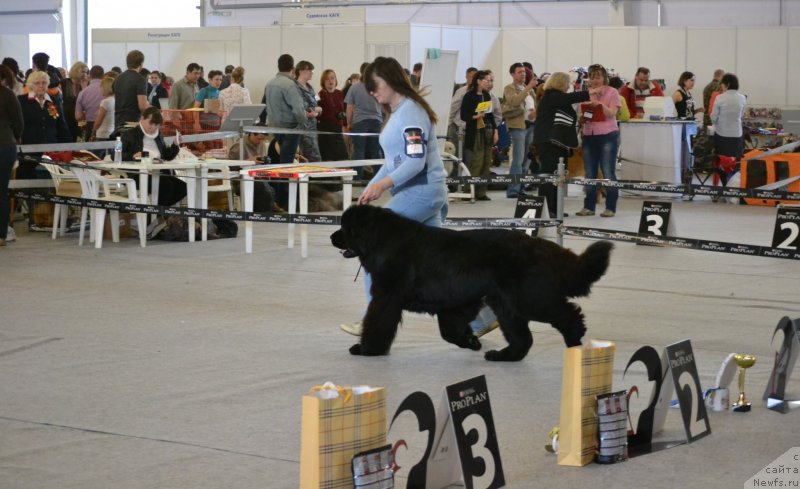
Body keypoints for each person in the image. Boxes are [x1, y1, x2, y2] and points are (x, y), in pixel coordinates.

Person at [340, 56, 449, 336]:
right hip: (423, 192)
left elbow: (415, 162)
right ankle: (479, 318)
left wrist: (382, 184)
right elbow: (393, 162)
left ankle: (372, 323)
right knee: (442, 264)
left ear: (388, 81)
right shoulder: (400, 112)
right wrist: (372, 187)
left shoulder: (410, 112)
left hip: (421, 191)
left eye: (374, 86)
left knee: (373, 249)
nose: (372, 92)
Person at [533, 72, 596, 218]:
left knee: (558, 177)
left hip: (558, 143)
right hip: (548, 142)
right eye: (568, 83)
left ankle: (555, 207)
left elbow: (566, 115)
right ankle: (547, 210)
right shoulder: (551, 95)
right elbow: (569, 98)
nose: (569, 86)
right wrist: (590, 92)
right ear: (560, 83)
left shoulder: (557, 99)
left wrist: (583, 118)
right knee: (549, 176)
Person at [575, 64, 620, 218]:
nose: (595, 80)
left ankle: (610, 207)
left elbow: (612, 113)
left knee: (608, 171)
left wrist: (600, 105)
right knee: (590, 173)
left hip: (608, 135)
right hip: (589, 135)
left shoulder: (613, 92)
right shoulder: (586, 94)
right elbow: (584, 118)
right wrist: (583, 116)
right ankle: (589, 207)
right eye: (592, 77)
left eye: (598, 77)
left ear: (604, 78)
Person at [120, 107, 186, 207]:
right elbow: (116, 155)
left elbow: (166, 156)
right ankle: (154, 217)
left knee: (183, 187)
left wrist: (175, 144)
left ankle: (156, 216)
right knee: (166, 185)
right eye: (151, 123)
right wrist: (133, 156)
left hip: (158, 173)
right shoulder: (129, 134)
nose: (153, 127)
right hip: (137, 175)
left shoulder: (158, 135)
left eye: (156, 125)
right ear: (142, 119)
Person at [17, 71, 70, 180]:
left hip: (52, 149)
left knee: (51, 180)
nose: (41, 85)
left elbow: (61, 124)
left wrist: (69, 146)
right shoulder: (21, 101)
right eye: (37, 83)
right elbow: (17, 124)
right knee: (28, 180)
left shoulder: (53, 101)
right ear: (31, 85)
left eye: (44, 83)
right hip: (29, 149)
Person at [460, 70, 497, 201]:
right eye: (486, 80)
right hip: (474, 132)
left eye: (490, 80)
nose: (489, 83)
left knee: (487, 162)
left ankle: (482, 191)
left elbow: (491, 114)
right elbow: (463, 115)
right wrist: (475, 116)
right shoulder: (469, 96)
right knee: (476, 161)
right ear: (478, 81)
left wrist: (495, 130)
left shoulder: (487, 96)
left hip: (487, 130)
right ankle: (469, 190)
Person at [503, 62, 538, 198]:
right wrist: (528, 87)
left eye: (524, 71)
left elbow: (533, 105)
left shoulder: (528, 89)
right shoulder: (509, 88)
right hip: (518, 127)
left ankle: (521, 188)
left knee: (527, 160)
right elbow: (514, 102)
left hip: (531, 126)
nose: (523, 74)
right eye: (519, 72)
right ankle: (513, 190)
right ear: (512, 74)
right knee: (518, 160)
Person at [264, 54, 307, 164]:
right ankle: (286, 181)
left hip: (274, 129)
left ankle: (279, 181)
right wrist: (303, 125)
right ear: (293, 68)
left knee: (277, 161)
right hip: (289, 129)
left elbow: (265, 106)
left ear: (278, 66)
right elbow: (298, 110)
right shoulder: (290, 85)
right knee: (287, 164)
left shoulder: (269, 84)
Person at [345, 62, 383, 179]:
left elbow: (349, 108)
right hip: (376, 121)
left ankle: (357, 178)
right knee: (376, 151)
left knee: (359, 151)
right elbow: (384, 105)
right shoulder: (377, 86)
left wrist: (349, 123)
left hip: (360, 122)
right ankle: (379, 178)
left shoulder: (354, 87)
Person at [0, 65, 23, 246]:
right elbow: (18, 122)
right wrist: (16, 137)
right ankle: (1, 235)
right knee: (1, 191)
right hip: (5, 145)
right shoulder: (8, 95)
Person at [227, 131, 278, 213]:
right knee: (263, 188)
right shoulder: (238, 146)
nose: (261, 141)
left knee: (272, 187)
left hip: (259, 177)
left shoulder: (262, 145)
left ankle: (268, 209)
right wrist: (248, 161)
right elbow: (231, 167)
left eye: (263, 139)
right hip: (241, 180)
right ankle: (264, 213)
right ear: (251, 134)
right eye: (259, 139)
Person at [710, 73, 746, 159]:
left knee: (722, 160)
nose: (721, 86)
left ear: (727, 84)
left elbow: (714, 117)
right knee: (735, 160)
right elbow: (741, 115)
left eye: (722, 83)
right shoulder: (742, 98)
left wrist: (715, 123)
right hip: (737, 134)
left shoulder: (719, 98)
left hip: (722, 133)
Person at [112, 50, 148, 134]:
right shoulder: (140, 79)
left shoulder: (117, 78)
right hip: (132, 123)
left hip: (118, 121)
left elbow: (116, 99)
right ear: (141, 63)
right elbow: (142, 106)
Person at [317, 69, 349, 161]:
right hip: (324, 129)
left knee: (343, 156)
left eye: (332, 78)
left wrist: (344, 125)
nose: (330, 81)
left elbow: (343, 111)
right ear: (323, 81)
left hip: (337, 128)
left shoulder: (340, 93)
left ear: (336, 80)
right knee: (327, 156)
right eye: (327, 79)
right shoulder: (319, 94)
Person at [294, 61, 322, 162]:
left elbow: (318, 105)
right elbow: (303, 108)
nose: (311, 72)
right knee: (312, 157)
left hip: (312, 128)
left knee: (314, 156)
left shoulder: (310, 88)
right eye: (308, 70)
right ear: (300, 71)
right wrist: (316, 110)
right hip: (302, 127)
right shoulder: (295, 87)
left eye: (312, 70)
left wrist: (317, 111)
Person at [447, 67, 477, 157]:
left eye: (475, 77)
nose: (472, 79)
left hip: (472, 128)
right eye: (470, 77)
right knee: (457, 155)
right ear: (466, 77)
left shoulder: (480, 92)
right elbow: (453, 108)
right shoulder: (461, 91)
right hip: (458, 127)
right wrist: (448, 124)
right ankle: (456, 171)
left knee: (469, 155)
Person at [74, 65, 105, 141]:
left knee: (91, 152)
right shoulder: (109, 91)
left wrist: (88, 113)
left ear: (90, 75)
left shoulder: (83, 92)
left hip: (90, 126)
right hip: (107, 125)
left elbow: (78, 117)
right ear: (103, 76)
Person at [60, 61, 89, 141]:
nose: (85, 74)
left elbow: (86, 101)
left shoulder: (86, 84)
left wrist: (84, 88)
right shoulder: (63, 82)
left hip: (79, 117)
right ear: (76, 70)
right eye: (83, 71)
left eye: (86, 72)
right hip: (65, 115)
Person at [89, 77, 116, 142]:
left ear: (105, 88)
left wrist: (93, 132)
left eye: (101, 86)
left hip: (102, 134)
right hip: (112, 132)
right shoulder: (115, 100)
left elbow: (98, 122)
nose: (100, 89)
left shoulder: (105, 102)